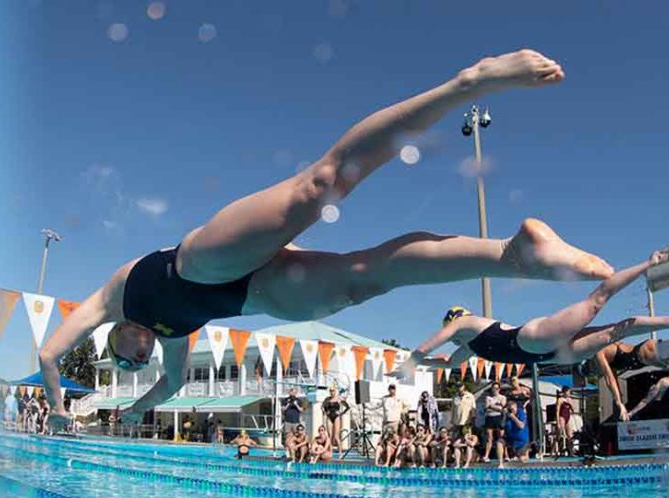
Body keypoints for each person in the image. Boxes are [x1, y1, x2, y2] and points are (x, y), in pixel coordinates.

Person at [39, 50, 613, 432]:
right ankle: (514, 255)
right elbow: (166, 387)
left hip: (204, 261)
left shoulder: (111, 298)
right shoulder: (171, 342)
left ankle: (471, 81)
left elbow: (47, 352)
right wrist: (126, 413)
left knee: (320, 184)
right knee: (363, 281)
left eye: (123, 352)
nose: (135, 354)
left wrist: (59, 404)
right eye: (132, 359)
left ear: (113, 335)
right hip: (255, 294)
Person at [402, 250, 669, 384]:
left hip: (532, 340)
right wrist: (418, 364)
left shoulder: (464, 323)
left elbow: (429, 346)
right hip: (549, 355)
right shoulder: (468, 349)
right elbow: (448, 364)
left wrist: (412, 362)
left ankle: (651, 261)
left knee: (595, 302)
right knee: (617, 332)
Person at [594, 339, 669, 421]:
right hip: (646, 355)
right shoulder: (609, 359)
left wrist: (620, 404)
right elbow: (614, 382)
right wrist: (620, 403)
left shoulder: (599, 352)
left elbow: (610, 380)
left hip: (646, 352)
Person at [481, 382, 507, 463]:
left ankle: (506, 455)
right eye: (494, 388)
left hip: (499, 417)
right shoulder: (488, 397)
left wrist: (491, 406)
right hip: (490, 418)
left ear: (499, 389)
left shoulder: (502, 397)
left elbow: (502, 408)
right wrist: (496, 406)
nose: (495, 390)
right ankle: (486, 456)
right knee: (489, 438)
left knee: (501, 437)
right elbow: (486, 408)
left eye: (497, 388)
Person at [501, 399, 530, 467]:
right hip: (513, 442)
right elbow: (502, 426)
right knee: (499, 442)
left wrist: (513, 417)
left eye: (513, 409)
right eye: (510, 409)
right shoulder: (507, 416)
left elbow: (521, 426)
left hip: (522, 442)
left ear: (516, 407)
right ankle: (501, 463)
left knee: (522, 460)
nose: (512, 411)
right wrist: (504, 415)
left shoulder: (520, 413)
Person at [555, 386, 576, 455]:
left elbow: (573, 410)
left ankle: (571, 451)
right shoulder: (560, 399)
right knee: (560, 433)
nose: (569, 393)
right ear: (564, 392)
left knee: (570, 435)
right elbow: (557, 411)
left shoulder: (570, 399)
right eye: (568, 392)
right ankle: (554, 449)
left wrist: (570, 403)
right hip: (562, 416)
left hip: (568, 416)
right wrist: (557, 421)